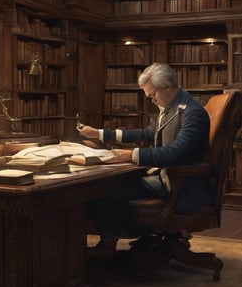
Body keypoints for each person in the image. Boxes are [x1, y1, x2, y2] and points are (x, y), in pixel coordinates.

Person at [77, 62, 211, 257]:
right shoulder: (172, 107)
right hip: (166, 176)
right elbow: (147, 133)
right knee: (114, 184)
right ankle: (123, 235)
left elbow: (176, 153)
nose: (151, 101)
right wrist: (99, 134)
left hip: (181, 185)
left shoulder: (192, 112)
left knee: (110, 187)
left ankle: (109, 242)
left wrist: (131, 155)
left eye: (152, 95)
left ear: (166, 86)